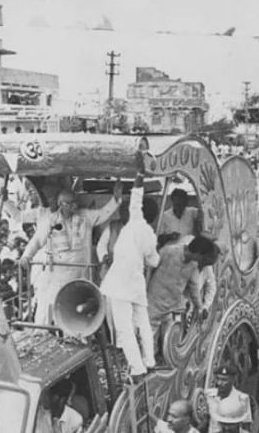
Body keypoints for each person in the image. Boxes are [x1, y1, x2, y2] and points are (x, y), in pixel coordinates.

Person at [19, 181, 123, 325]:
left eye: (74, 202)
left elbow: (103, 213)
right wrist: (26, 256)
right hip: (58, 275)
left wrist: (116, 199)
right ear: (61, 204)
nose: (74, 206)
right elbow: (37, 241)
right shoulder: (51, 220)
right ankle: (45, 334)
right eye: (70, 203)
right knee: (50, 307)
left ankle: (77, 338)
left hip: (80, 275)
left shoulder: (86, 217)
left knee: (78, 311)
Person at [100, 161, 160, 379]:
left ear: (143, 211)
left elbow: (136, 195)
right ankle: (149, 361)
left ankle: (137, 368)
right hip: (136, 284)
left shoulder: (135, 219)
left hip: (119, 284)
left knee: (125, 329)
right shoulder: (150, 235)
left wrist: (140, 174)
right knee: (143, 324)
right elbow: (154, 262)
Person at [147, 235, 217, 336]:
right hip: (153, 304)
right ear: (198, 253)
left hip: (171, 308)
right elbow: (150, 270)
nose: (203, 261)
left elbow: (194, 289)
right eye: (203, 257)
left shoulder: (193, 265)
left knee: (169, 344)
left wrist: (200, 307)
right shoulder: (168, 251)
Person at [204, 365, 252, 433]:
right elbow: (204, 420)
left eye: (224, 380)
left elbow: (246, 424)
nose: (219, 383)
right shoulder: (208, 395)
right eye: (218, 379)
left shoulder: (242, 398)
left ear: (233, 379)